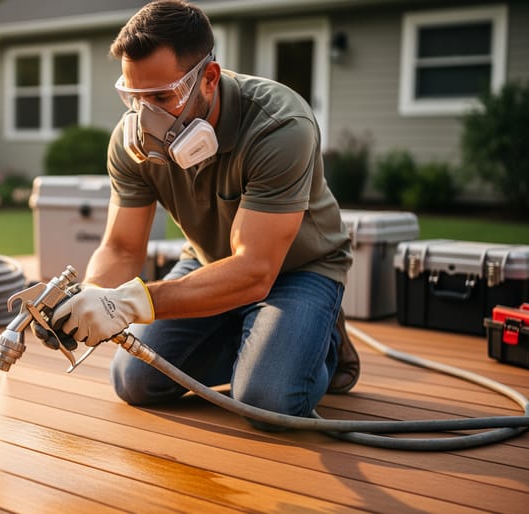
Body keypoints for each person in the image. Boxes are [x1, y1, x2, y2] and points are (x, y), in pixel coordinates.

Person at [45, 0, 358, 430]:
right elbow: (120, 247)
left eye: (161, 97)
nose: (145, 117)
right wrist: (90, 298)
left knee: (268, 401)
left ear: (208, 79)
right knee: (134, 381)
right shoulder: (128, 142)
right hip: (208, 262)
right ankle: (259, 338)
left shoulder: (279, 126)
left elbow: (254, 270)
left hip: (298, 269)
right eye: (134, 98)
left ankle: (324, 340)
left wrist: (132, 303)